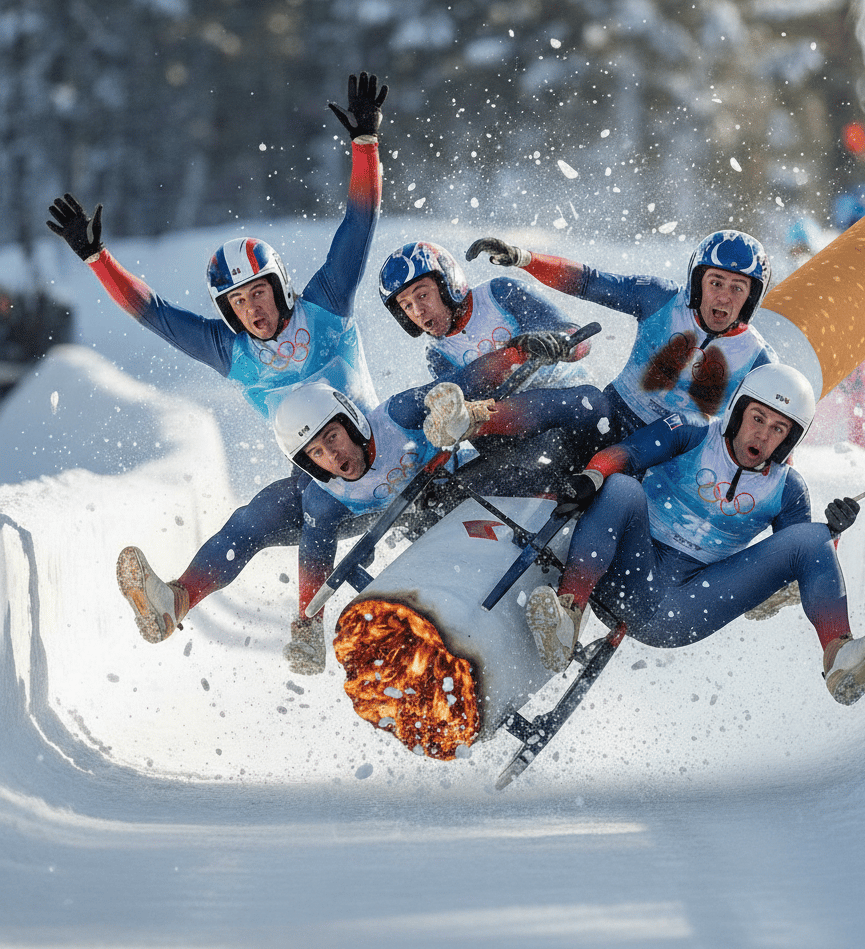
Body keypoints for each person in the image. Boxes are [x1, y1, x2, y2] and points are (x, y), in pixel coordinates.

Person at [47, 72, 389, 661]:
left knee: (320, 499)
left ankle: (308, 620)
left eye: (258, 293)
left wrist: (364, 144)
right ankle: (175, 602)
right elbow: (151, 312)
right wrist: (98, 258)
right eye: (237, 303)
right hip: (320, 481)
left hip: (380, 459)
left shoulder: (327, 304)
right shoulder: (227, 351)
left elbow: (359, 223)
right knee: (251, 520)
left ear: (280, 287)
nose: (251, 309)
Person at [116, 342, 612, 673]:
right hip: (389, 516)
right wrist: (308, 622)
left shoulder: (394, 416)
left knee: (518, 461)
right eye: (318, 454)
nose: (335, 457)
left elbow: (461, 383)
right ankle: (178, 599)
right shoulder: (323, 492)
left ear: (353, 423)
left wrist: (518, 352)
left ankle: (589, 485)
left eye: (334, 438)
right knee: (259, 515)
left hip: (442, 489)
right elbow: (316, 554)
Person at [524, 363, 865, 708]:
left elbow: (795, 577)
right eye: (758, 418)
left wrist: (832, 534)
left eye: (778, 430)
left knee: (812, 538)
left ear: (790, 441)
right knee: (621, 487)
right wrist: (592, 476)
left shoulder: (789, 489)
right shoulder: (692, 430)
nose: (763, 435)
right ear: (738, 412)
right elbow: (626, 453)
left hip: (686, 607)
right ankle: (567, 616)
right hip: (626, 572)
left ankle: (840, 657)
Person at [466, 229, 777, 441]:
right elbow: (589, 281)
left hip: (672, 460)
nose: (723, 297)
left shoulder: (760, 361)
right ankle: (473, 420)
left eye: (737, 288)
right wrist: (524, 258)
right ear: (697, 283)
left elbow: (775, 437)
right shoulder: (661, 298)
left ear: (751, 299)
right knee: (585, 399)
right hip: (610, 419)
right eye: (716, 283)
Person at [378, 240, 592, 390]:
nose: (418, 311)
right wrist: (512, 356)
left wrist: (561, 345)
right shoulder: (438, 355)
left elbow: (582, 340)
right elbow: (467, 410)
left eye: (423, 295)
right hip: (524, 426)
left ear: (447, 282)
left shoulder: (500, 292)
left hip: (573, 394)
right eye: (406, 306)